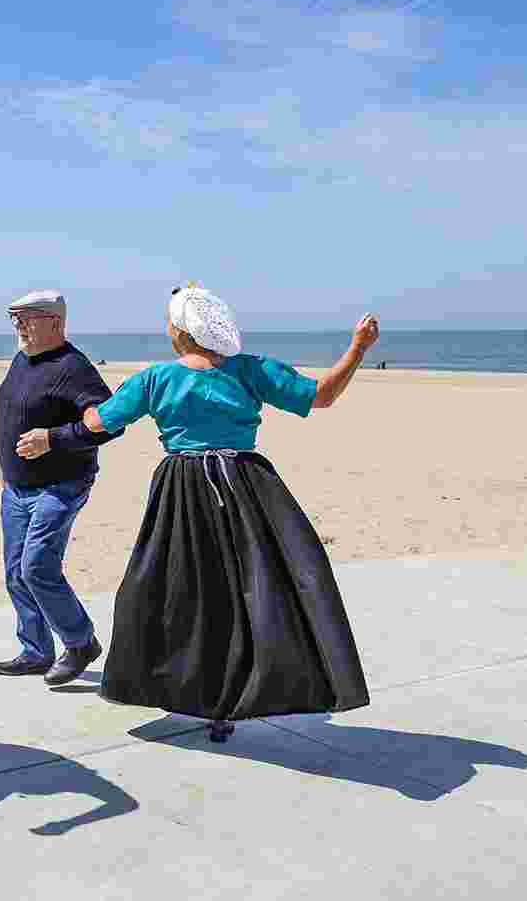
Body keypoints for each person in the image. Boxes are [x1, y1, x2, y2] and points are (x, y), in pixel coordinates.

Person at [83, 283, 378, 742]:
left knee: (182, 592)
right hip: (245, 483)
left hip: (186, 488)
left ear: (180, 331)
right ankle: (227, 697)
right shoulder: (250, 370)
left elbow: (101, 422)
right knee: (253, 589)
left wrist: (63, 424)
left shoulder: (156, 378)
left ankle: (212, 697)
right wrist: (358, 348)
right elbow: (322, 395)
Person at [0, 289, 117, 686]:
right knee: (16, 572)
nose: (19, 326)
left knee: (37, 567)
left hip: (61, 484)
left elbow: (110, 422)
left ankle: (81, 643)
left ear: (56, 323)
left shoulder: (73, 367)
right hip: (17, 487)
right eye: (15, 319)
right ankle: (35, 650)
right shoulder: (22, 360)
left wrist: (54, 439)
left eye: (27, 318)